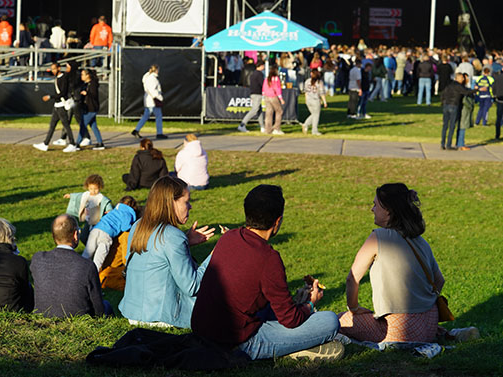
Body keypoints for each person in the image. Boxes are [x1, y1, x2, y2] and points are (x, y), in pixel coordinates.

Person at [191, 184, 343, 361]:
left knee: (279, 309)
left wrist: (296, 305)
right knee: (330, 321)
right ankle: (289, 348)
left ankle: (290, 345)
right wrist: (310, 303)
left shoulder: (229, 237)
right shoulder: (268, 258)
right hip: (235, 341)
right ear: (277, 221)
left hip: (203, 328)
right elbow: (290, 320)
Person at [338, 183, 444, 343]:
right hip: (429, 323)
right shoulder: (420, 241)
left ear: (388, 210)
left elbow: (352, 279)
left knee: (336, 321)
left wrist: (354, 309)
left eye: (375, 205)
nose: (372, 209)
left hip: (400, 329)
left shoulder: (378, 237)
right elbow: (439, 281)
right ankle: (449, 333)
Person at [118, 176, 215, 328]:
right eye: (186, 202)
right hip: (161, 318)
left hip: (133, 313)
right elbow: (192, 286)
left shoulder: (138, 225)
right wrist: (216, 255)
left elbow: (152, 257)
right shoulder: (172, 236)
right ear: (171, 202)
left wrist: (186, 242)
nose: (190, 207)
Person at [30, 214, 113, 317]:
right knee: (107, 305)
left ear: (53, 236)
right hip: (79, 318)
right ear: (75, 235)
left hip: (44, 316)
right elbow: (98, 309)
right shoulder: (87, 266)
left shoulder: (37, 259)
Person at [83, 196, 138, 272]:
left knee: (87, 252)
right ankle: (94, 273)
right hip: (106, 234)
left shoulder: (114, 211)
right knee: (99, 257)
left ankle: (80, 269)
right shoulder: (127, 213)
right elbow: (125, 227)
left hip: (96, 229)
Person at [32, 62, 78, 152]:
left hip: (61, 105)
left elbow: (62, 93)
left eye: (54, 69)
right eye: (52, 69)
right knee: (52, 125)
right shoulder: (57, 78)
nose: (53, 71)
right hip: (57, 105)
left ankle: (72, 143)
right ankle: (45, 143)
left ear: (59, 68)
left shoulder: (63, 78)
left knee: (66, 125)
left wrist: (50, 97)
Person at [64, 174, 113, 245]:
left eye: (95, 189)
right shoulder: (86, 195)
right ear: (88, 187)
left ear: (100, 187)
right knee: (84, 237)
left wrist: (109, 210)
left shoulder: (101, 198)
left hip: (97, 222)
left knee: (94, 237)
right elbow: (78, 196)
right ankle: (89, 246)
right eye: (91, 189)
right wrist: (71, 196)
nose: (93, 191)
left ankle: (93, 248)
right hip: (88, 220)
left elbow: (107, 204)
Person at [440, 73, 476, 150]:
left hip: (446, 105)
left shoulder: (449, 85)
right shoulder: (458, 86)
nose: (463, 79)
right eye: (462, 78)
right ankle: (449, 145)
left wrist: (443, 102)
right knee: (452, 126)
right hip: (454, 105)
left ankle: (442, 143)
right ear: (458, 78)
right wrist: (477, 89)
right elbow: (466, 92)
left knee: (445, 126)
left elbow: (442, 94)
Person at [131, 65, 167, 139]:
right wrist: (160, 98)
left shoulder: (147, 78)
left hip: (149, 101)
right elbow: (153, 90)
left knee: (146, 116)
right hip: (153, 101)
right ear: (156, 70)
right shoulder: (153, 79)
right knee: (158, 116)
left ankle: (136, 130)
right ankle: (159, 133)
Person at [78, 69, 105, 150]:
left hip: (91, 108)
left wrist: (86, 93)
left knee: (83, 126)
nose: (81, 76)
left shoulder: (93, 84)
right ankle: (100, 143)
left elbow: (94, 95)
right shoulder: (86, 84)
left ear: (88, 75)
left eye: (83, 75)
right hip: (88, 107)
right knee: (93, 126)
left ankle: (76, 144)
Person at [238, 60, 265, 133]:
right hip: (257, 94)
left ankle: (262, 127)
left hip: (253, 93)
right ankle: (242, 125)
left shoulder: (253, 73)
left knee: (259, 111)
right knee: (254, 110)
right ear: (261, 66)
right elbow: (263, 84)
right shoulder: (259, 74)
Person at [301, 69, 327, 135]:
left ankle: (306, 125)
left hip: (308, 100)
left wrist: (306, 99)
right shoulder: (319, 82)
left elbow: (305, 92)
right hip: (315, 100)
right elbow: (321, 93)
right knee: (316, 115)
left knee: (313, 115)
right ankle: (313, 130)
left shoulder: (307, 81)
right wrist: (324, 101)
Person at [262, 64, 285, 135]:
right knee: (279, 111)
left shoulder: (266, 78)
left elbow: (263, 88)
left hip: (266, 97)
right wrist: (281, 99)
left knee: (269, 113)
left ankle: (267, 129)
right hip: (273, 96)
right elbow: (277, 89)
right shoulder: (276, 78)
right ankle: (276, 128)